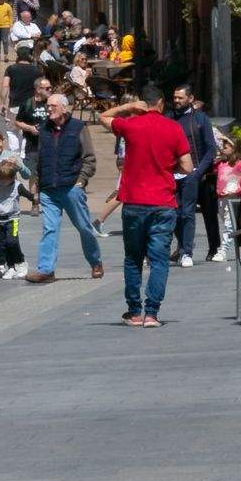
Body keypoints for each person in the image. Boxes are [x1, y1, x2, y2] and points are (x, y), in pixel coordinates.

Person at [98, 90, 191, 325]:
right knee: (159, 260)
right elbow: (188, 167)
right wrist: (170, 170)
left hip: (135, 202)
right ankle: (152, 313)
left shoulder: (131, 125)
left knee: (133, 258)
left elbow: (102, 117)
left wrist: (125, 109)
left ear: (142, 102)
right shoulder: (173, 128)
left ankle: (134, 311)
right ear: (161, 102)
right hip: (163, 202)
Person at [22, 93, 103, 283]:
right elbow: (40, 158)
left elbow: (89, 158)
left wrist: (81, 181)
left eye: (53, 106)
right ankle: (46, 270)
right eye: (47, 105)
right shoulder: (44, 129)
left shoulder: (78, 128)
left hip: (71, 187)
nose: (48, 109)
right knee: (49, 228)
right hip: (49, 188)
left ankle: (95, 262)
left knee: (83, 227)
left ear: (64, 108)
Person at [165, 84, 219, 266]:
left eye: (180, 98)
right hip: (175, 174)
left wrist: (198, 171)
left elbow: (211, 148)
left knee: (202, 213)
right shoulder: (169, 119)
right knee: (176, 213)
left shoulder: (201, 119)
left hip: (199, 174)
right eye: (175, 98)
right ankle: (183, 247)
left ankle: (211, 248)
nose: (176, 101)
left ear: (190, 98)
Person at [1, 47, 40, 115]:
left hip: (14, 106)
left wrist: (2, 103)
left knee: (12, 125)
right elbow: (41, 87)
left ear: (18, 56)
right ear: (30, 56)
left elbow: (5, 86)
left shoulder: (11, 69)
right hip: (30, 106)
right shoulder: (37, 70)